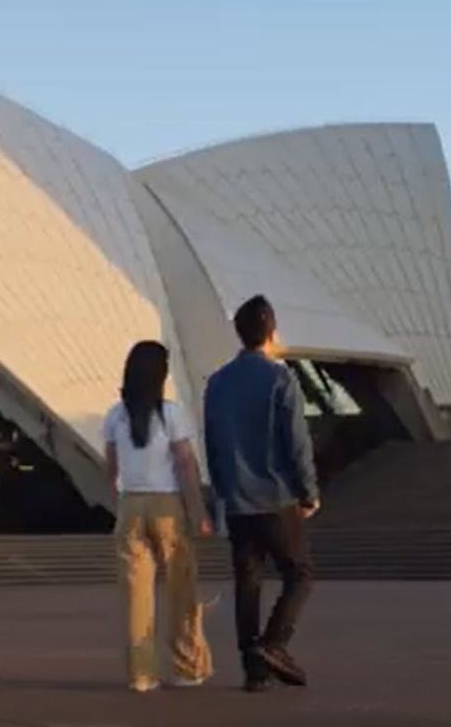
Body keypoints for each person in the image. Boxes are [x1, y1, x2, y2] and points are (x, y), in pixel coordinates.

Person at [204, 295, 319, 692]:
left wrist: (221, 494)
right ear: (271, 331)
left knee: (248, 581)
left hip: (236, 500)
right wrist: (309, 491)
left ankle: (254, 672)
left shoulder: (216, 383)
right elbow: (297, 441)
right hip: (275, 496)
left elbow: (213, 445)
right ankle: (273, 645)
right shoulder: (280, 378)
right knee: (300, 572)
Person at [104, 340, 213, 693]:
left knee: (137, 595)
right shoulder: (171, 413)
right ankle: (187, 666)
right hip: (167, 506)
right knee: (181, 589)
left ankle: (141, 675)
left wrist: (118, 498)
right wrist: (199, 512)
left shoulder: (115, 415)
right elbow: (184, 462)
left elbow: (112, 465)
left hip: (130, 505)